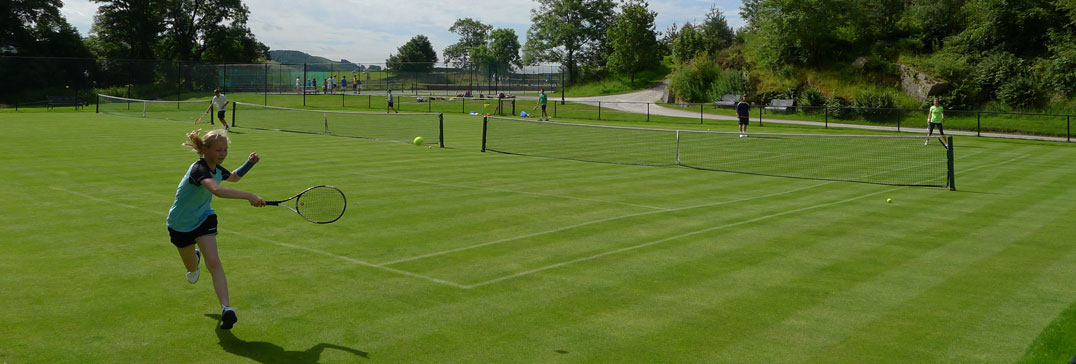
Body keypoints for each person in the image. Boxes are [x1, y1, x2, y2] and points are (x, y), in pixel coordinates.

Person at [167, 128, 265, 330]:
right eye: (219, 150)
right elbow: (216, 190)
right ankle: (194, 260)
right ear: (206, 149)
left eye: (225, 150)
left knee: (214, 263)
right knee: (192, 271)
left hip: (204, 218)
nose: (223, 153)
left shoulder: (218, 170)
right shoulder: (199, 169)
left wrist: (250, 163)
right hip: (180, 224)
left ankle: (226, 309)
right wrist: (250, 196)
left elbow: (234, 177)